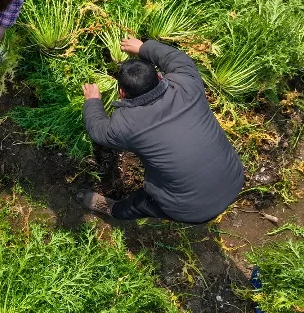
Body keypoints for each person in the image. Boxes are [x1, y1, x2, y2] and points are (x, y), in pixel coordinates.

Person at [78, 37, 245, 223]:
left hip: (190, 209)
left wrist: (92, 101)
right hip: (234, 179)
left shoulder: (126, 124)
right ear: (159, 77)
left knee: (142, 203)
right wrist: (143, 48)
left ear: (122, 93)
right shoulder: (187, 83)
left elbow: (97, 130)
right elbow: (176, 57)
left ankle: (114, 210)